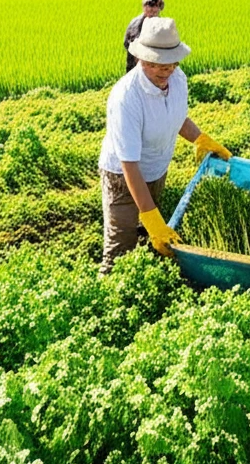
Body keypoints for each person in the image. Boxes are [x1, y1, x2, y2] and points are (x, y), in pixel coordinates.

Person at [99, 17, 232, 274]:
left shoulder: (178, 79)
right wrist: (152, 219)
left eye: (171, 64)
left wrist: (200, 138)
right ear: (141, 59)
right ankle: (110, 287)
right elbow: (129, 164)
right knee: (120, 245)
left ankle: (144, 267)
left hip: (156, 170)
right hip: (122, 177)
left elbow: (176, 116)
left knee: (146, 235)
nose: (165, 71)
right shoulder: (127, 97)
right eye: (156, 64)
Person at [123, 0, 165, 73]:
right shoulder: (137, 24)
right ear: (143, 7)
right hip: (138, 68)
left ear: (160, 7)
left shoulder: (159, 23)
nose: (151, 9)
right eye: (148, 5)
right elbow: (131, 45)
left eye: (155, 6)